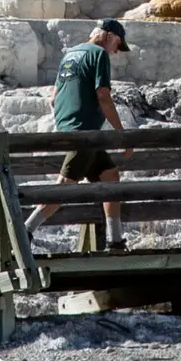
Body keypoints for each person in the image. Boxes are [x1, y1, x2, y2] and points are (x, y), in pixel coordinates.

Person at [44, 18, 130, 247]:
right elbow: (103, 95)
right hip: (85, 133)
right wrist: (121, 134)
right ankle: (25, 231)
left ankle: (115, 240)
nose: (115, 52)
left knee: (110, 175)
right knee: (65, 185)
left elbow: (53, 99)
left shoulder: (70, 54)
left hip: (71, 128)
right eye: (118, 45)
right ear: (109, 36)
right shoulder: (98, 54)